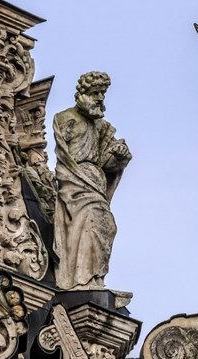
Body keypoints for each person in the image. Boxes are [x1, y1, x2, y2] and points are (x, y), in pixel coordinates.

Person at [53, 71, 131, 290]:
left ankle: (95, 277)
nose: (99, 98)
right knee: (88, 223)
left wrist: (119, 157)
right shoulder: (66, 118)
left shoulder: (102, 127)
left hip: (96, 182)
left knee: (107, 226)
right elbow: (64, 155)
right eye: (95, 93)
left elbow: (108, 164)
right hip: (75, 182)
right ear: (82, 93)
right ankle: (81, 280)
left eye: (102, 94)